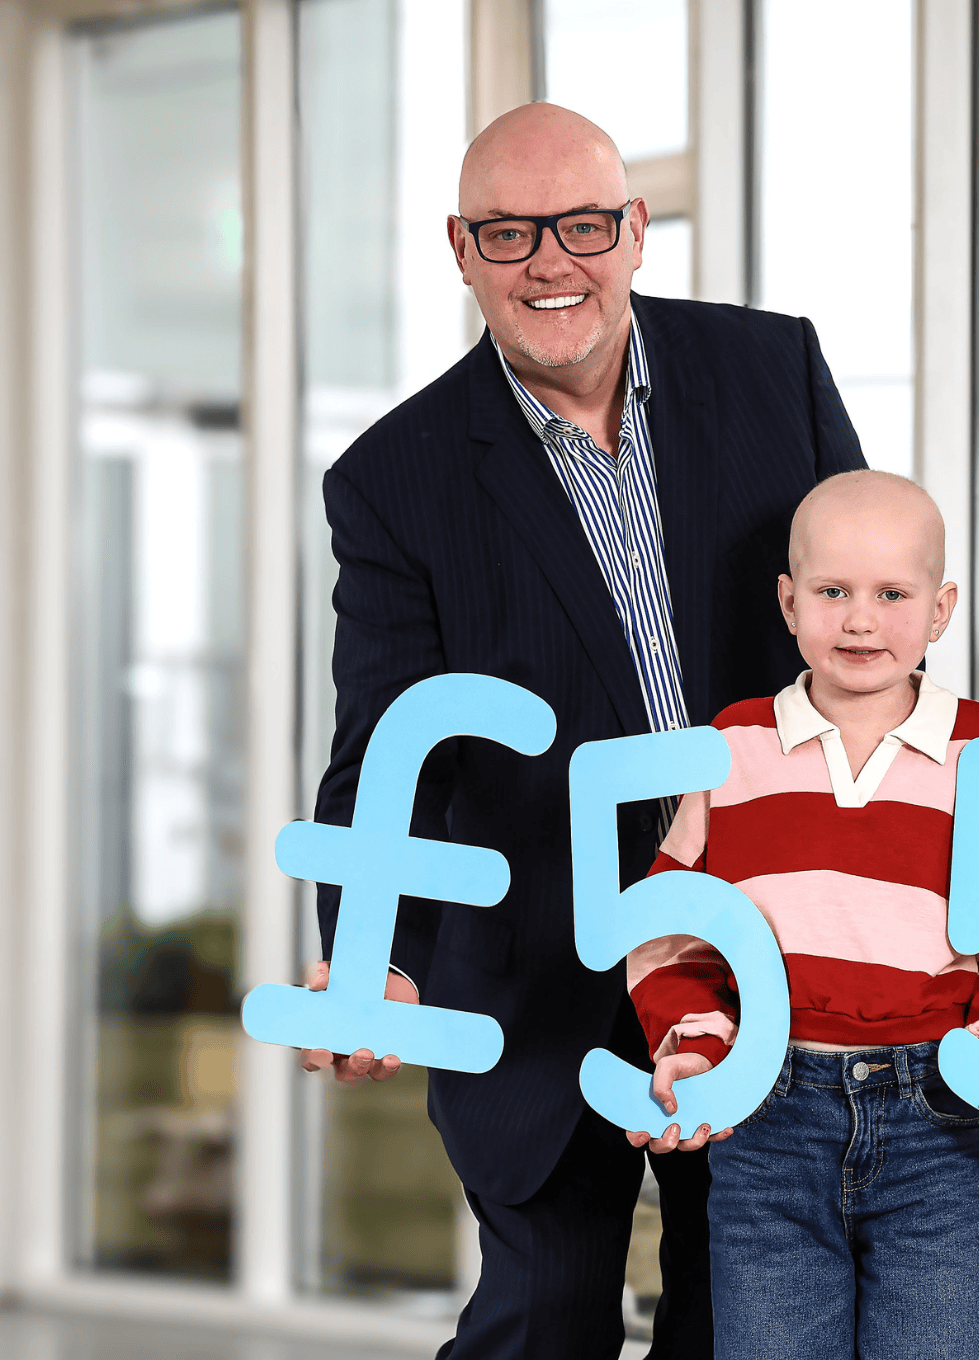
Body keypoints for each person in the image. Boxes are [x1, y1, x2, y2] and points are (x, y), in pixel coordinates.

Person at [296, 102, 865, 1360]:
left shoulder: (775, 375)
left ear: (636, 232)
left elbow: (868, 632)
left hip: (758, 957)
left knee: (743, 1322)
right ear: (460, 248)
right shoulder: (394, 479)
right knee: (542, 1322)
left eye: (583, 224)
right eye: (509, 233)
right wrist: (371, 953)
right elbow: (382, 743)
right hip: (537, 981)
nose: (552, 260)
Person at [625, 470, 979, 1359]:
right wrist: (694, 1039)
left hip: (940, 1127)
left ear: (941, 608)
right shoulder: (734, 748)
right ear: (790, 604)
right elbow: (672, 925)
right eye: (833, 593)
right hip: (767, 1124)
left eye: (891, 594)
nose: (861, 619)